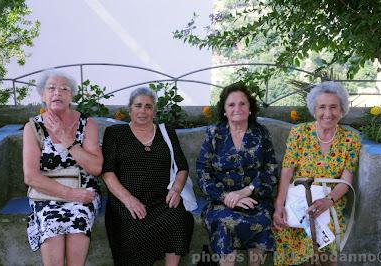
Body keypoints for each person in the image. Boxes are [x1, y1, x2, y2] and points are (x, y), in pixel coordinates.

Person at [101, 87, 194, 266]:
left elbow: (182, 167)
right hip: (126, 201)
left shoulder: (166, 132)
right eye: (138, 106)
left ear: (154, 111)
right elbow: (107, 171)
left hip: (162, 200)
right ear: (130, 109)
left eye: (148, 106)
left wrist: (176, 189)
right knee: (135, 230)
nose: (143, 111)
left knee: (179, 219)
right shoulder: (115, 133)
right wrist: (128, 200)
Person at [272, 81, 362, 265]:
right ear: (314, 109)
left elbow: (346, 179)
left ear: (342, 110)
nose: (327, 113)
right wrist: (279, 205)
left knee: (325, 243)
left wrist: (328, 201)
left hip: (329, 200)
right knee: (287, 230)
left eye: (333, 107)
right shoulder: (299, 133)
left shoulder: (350, 139)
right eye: (322, 107)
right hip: (297, 198)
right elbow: (287, 171)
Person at [23, 70, 103, 265]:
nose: (57, 93)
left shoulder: (87, 124)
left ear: (71, 96)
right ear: (42, 95)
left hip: (84, 191)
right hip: (46, 194)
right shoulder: (33, 127)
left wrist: (68, 140)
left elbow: (96, 168)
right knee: (51, 227)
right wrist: (70, 194)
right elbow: (31, 177)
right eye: (51, 88)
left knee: (79, 224)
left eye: (64, 89)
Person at [196, 82, 279, 266]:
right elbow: (203, 172)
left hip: (254, 198)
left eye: (242, 103)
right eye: (231, 104)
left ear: (250, 108)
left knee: (263, 219)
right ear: (224, 110)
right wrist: (226, 196)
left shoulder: (261, 133)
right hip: (220, 201)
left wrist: (245, 192)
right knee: (224, 220)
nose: (237, 108)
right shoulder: (214, 133)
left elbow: (271, 171)